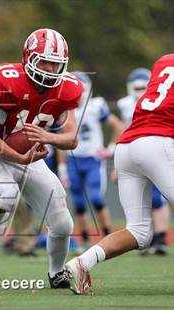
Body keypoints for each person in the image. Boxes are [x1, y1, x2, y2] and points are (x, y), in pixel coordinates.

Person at [0, 28, 83, 288]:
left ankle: (56, 273)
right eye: (44, 61)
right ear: (28, 58)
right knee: (6, 195)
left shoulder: (68, 87)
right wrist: (20, 156)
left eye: (55, 63)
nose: (50, 69)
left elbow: (71, 138)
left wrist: (47, 138)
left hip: (29, 158)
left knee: (62, 221)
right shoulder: (8, 80)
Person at [65, 54, 174, 295]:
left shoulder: (164, 61)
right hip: (158, 143)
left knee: (139, 232)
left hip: (127, 146)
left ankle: (83, 263)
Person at [63, 71, 124, 253]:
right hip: (73, 159)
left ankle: (107, 238)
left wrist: (111, 148)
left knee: (96, 198)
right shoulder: (65, 108)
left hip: (92, 160)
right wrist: (62, 167)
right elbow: (60, 139)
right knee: (79, 203)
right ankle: (85, 240)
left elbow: (118, 125)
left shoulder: (96, 106)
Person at [116, 68, 170, 256]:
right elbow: (123, 127)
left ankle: (160, 236)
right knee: (146, 202)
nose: (139, 90)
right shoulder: (124, 104)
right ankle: (151, 237)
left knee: (158, 197)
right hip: (138, 148)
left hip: (146, 149)